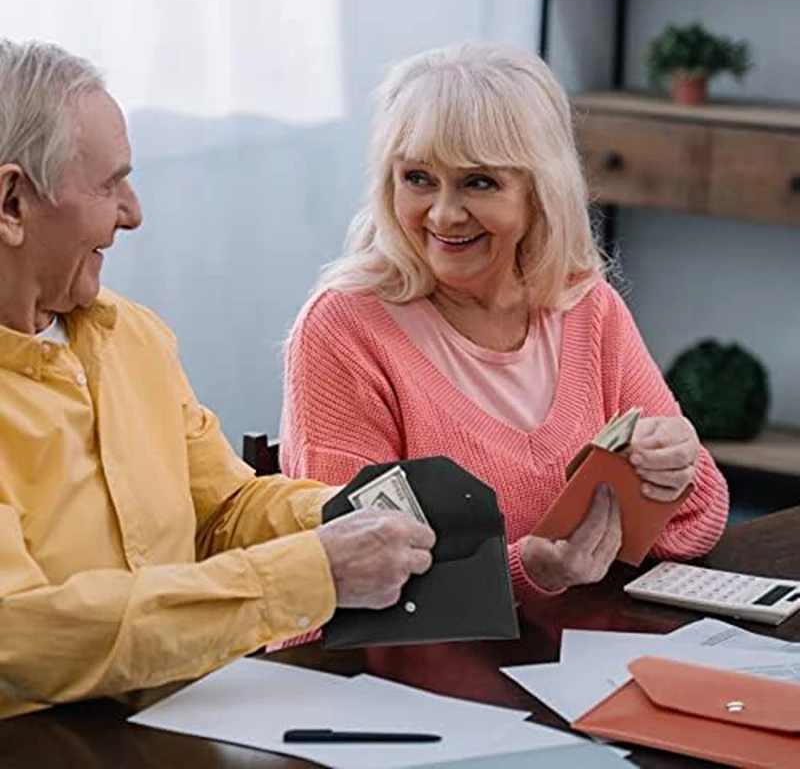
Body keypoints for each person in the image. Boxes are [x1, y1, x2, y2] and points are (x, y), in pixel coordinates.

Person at [0, 40, 436, 721]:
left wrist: (349, 518)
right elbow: (20, 635)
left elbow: (223, 512)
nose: (134, 212)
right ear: (11, 202)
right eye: (109, 184)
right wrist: (310, 573)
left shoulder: (131, 337)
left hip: (192, 720)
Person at [281, 41, 729, 613]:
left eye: (479, 182)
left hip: (571, 656)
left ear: (539, 192)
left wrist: (677, 470)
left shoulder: (586, 305)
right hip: (394, 680)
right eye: (418, 178)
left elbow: (696, 526)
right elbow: (353, 584)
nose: (443, 214)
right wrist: (526, 570)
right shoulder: (345, 328)